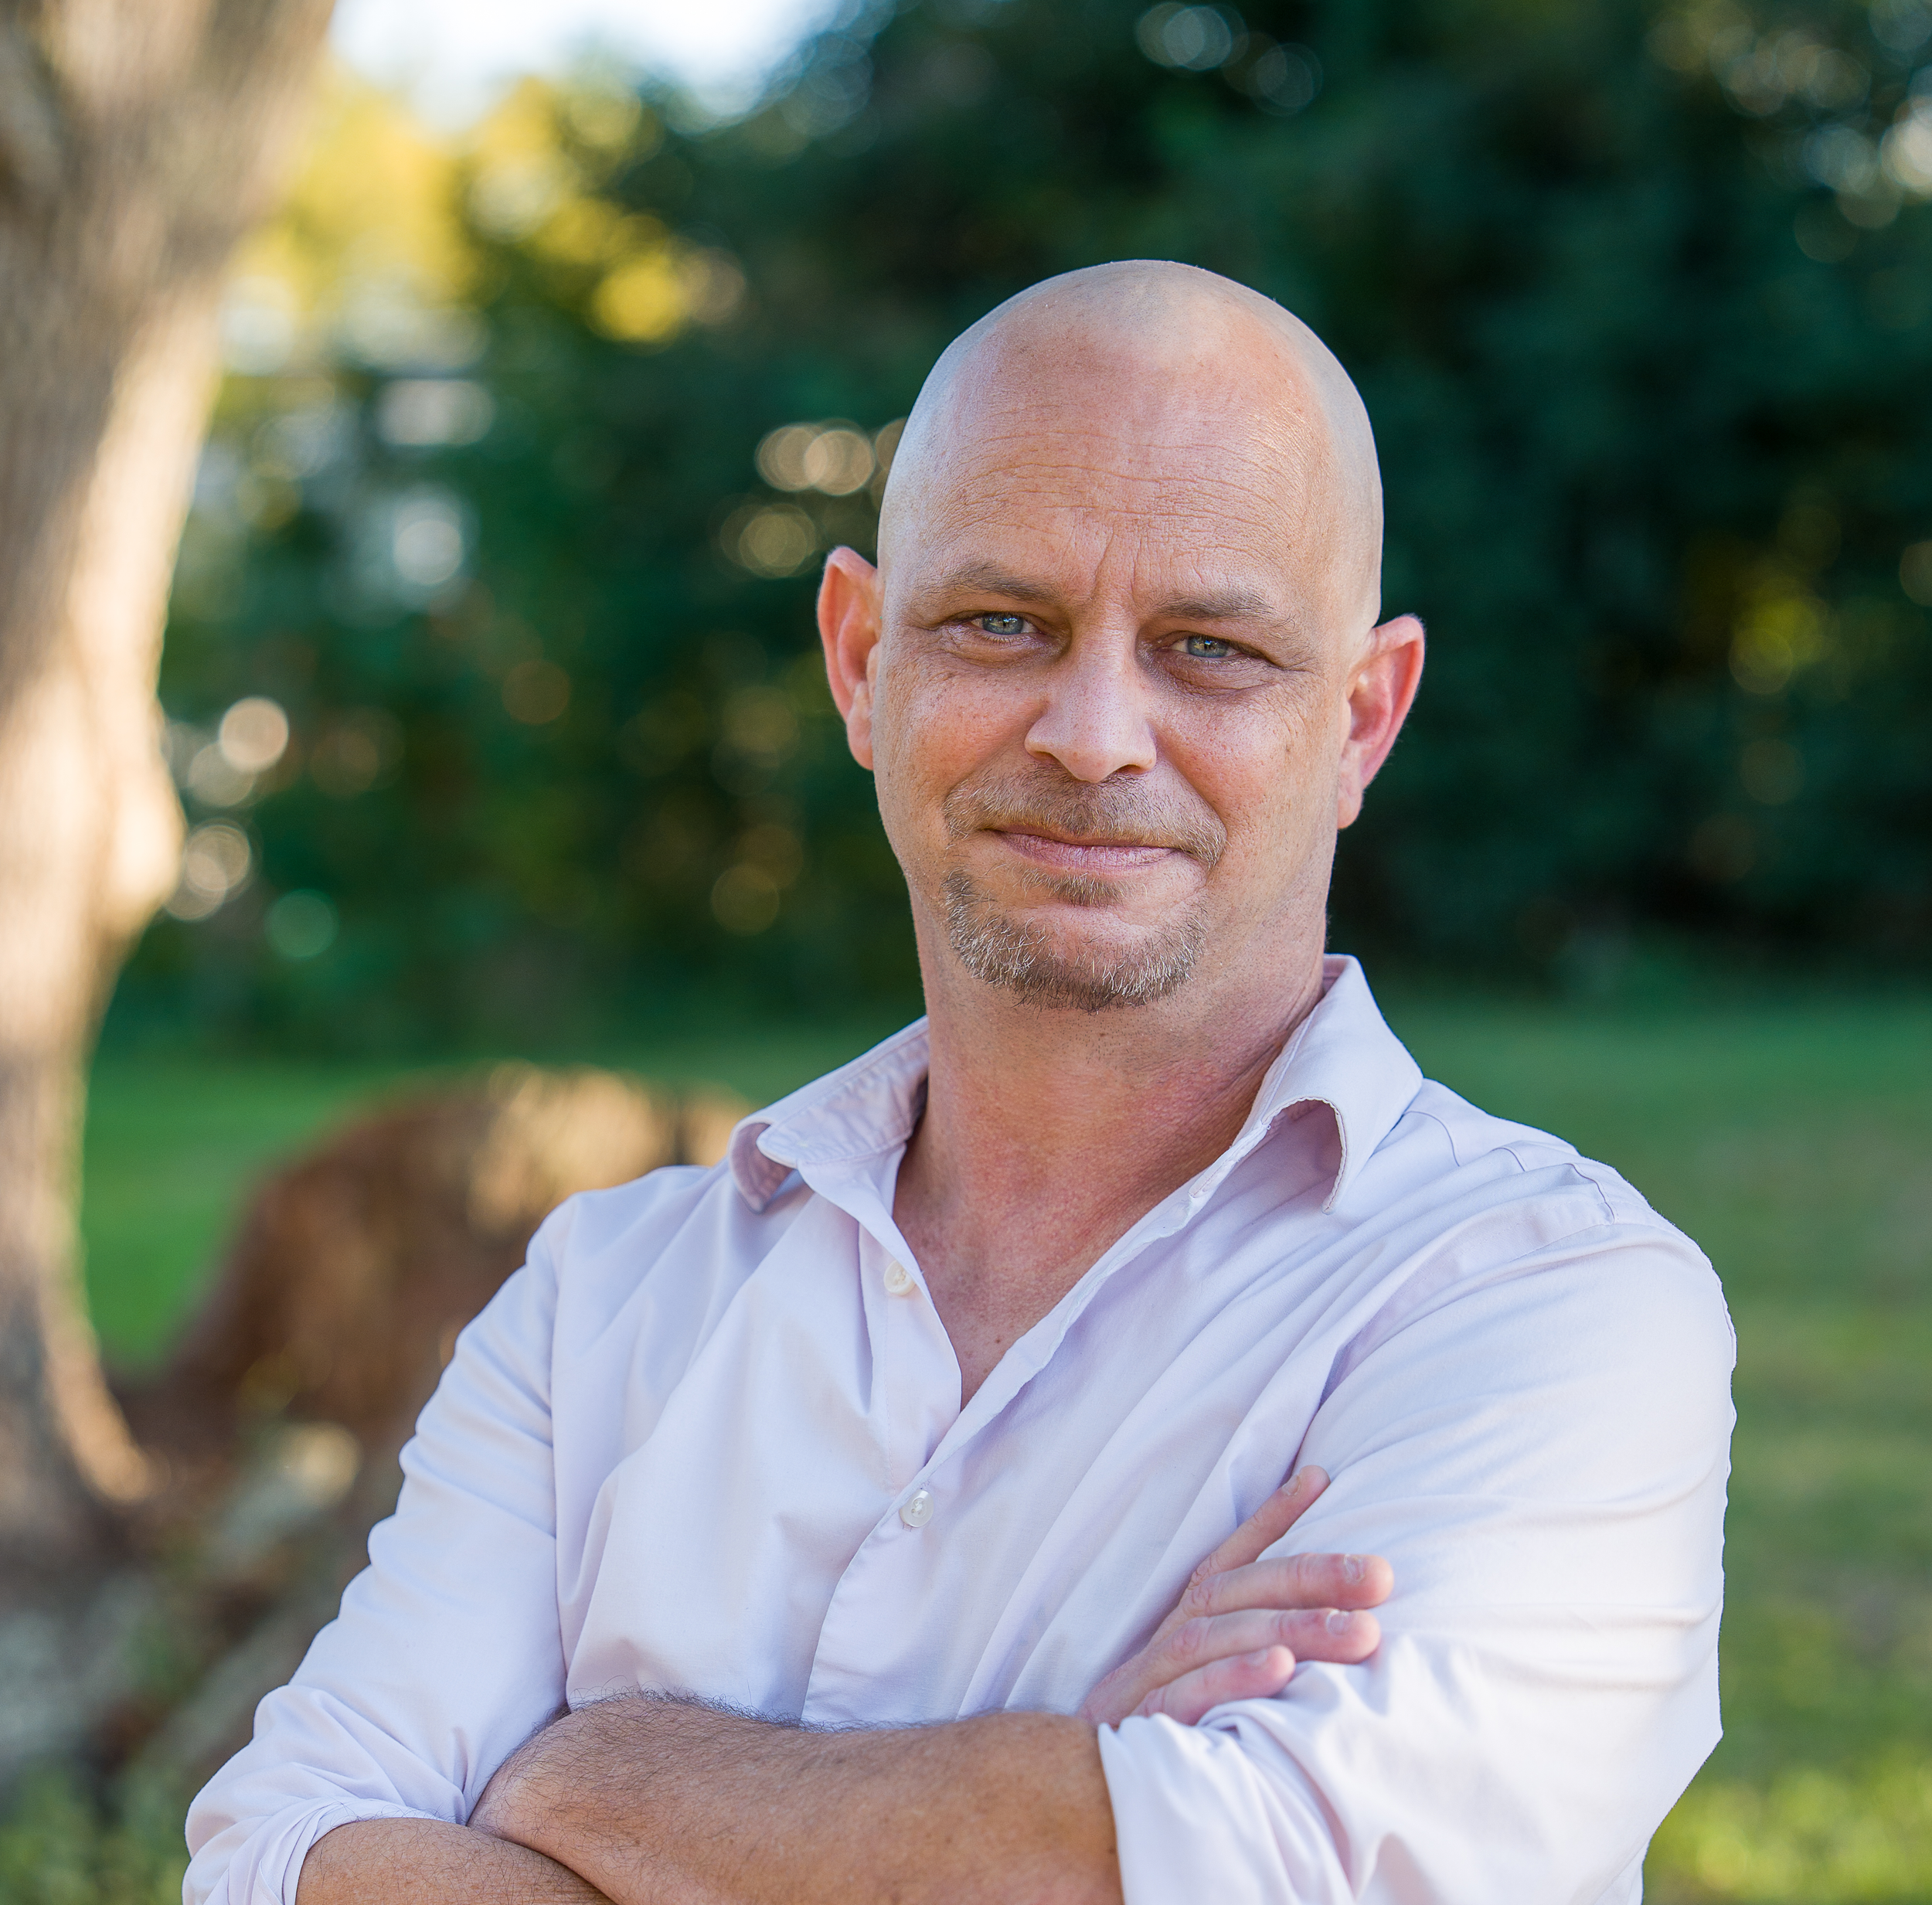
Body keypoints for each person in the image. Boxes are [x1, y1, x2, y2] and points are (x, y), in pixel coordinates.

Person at [185, 261, 1733, 1905]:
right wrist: (1070, 1795)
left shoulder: (1546, 1305)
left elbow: (1300, 1874)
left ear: (1359, 719)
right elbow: (280, 1856)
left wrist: (586, 1773)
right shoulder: (602, 1305)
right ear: (860, 660)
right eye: (1003, 622)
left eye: (1207, 648)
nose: (1089, 731)